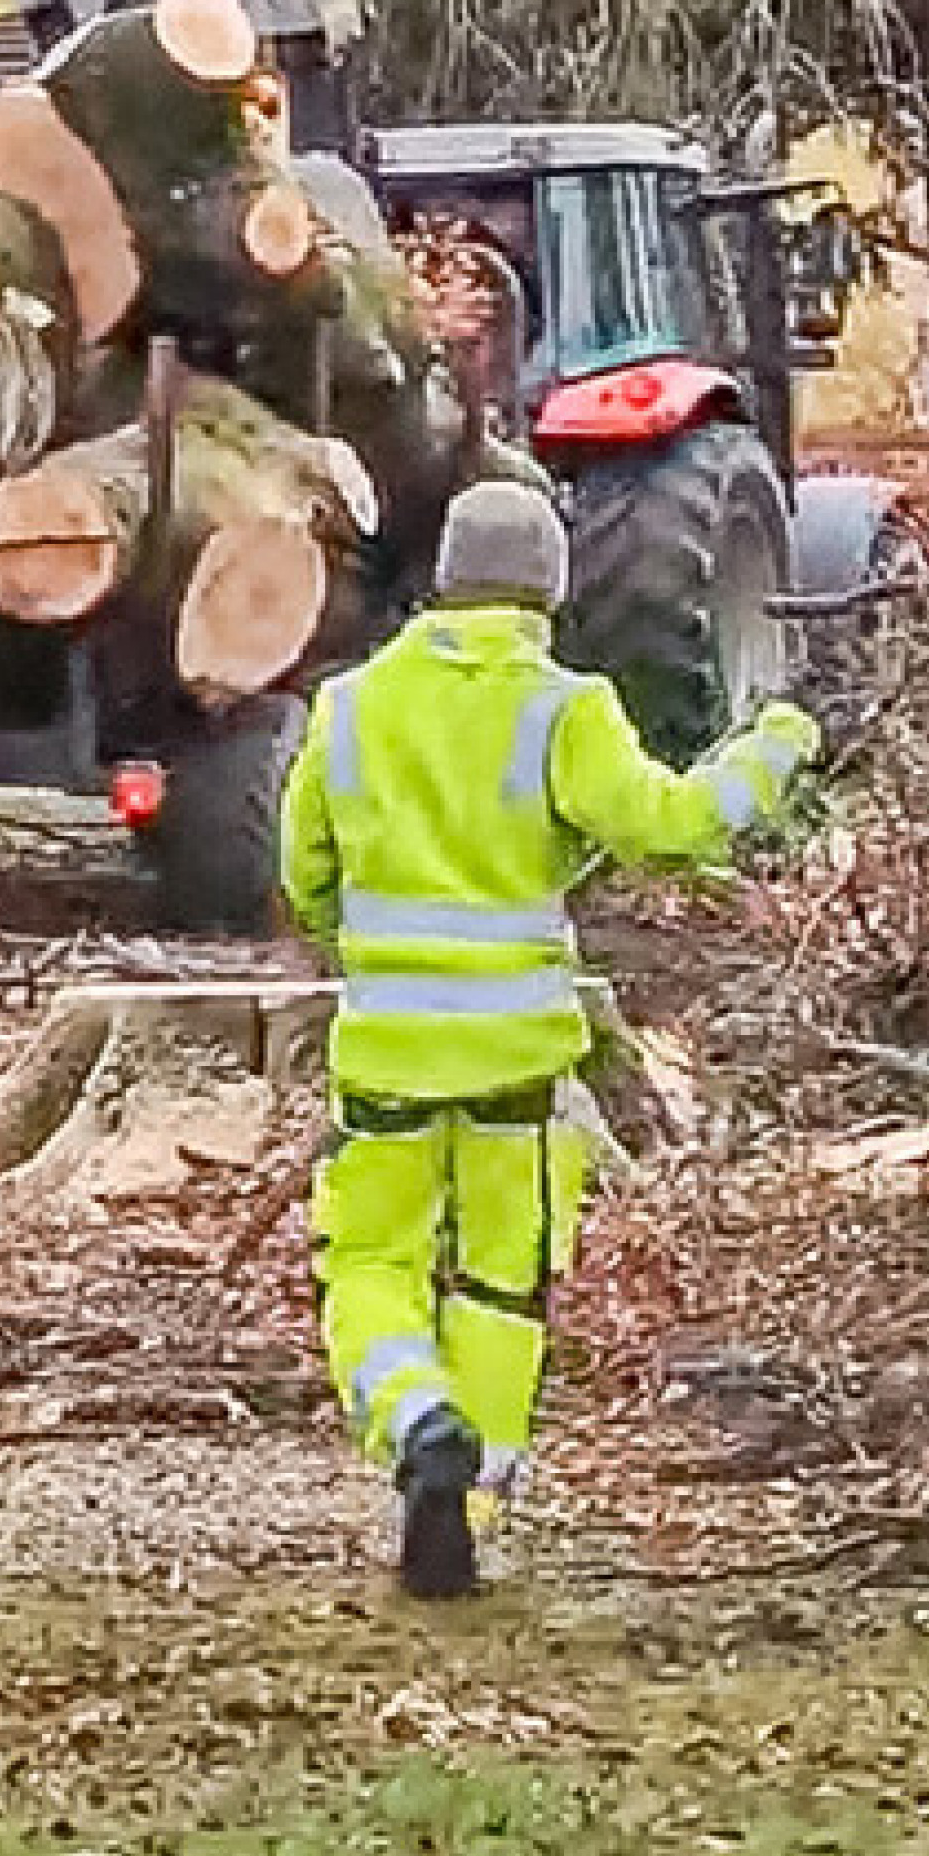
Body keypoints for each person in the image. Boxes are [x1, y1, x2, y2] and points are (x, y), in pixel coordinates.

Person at [280, 478, 819, 1600]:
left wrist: (368, 949)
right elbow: (670, 828)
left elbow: (305, 873)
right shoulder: (565, 707)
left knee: (370, 1264)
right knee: (502, 1282)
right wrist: (776, 742)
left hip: (383, 1056)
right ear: (552, 586)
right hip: (519, 1063)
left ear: (442, 580)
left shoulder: (350, 706)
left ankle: (417, 1418)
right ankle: (469, 1502)